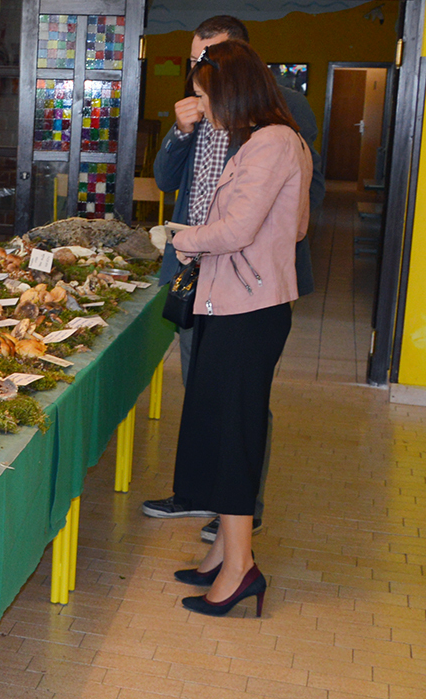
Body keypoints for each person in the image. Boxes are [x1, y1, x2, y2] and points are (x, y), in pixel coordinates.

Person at [143, 15, 325, 540]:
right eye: (195, 60)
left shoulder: (280, 114)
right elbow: (164, 178)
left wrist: (207, 238)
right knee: (201, 386)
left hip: (247, 277)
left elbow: (299, 202)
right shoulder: (198, 105)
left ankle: (239, 509)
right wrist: (182, 130)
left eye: (208, 60)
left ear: (238, 58)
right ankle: (196, 492)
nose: (199, 72)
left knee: (241, 396)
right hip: (196, 268)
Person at [167, 39, 311, 617]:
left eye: (207, 97)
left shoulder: (271, 142)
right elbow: (291, 228)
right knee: (219, 427)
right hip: (238, 302)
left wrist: (184, 238)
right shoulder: (270, 139)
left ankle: (241, 569)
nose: (205, 109)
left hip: (247, 309)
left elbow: (236, 230)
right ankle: (221, 555)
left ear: (233, 91)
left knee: (234, 437)